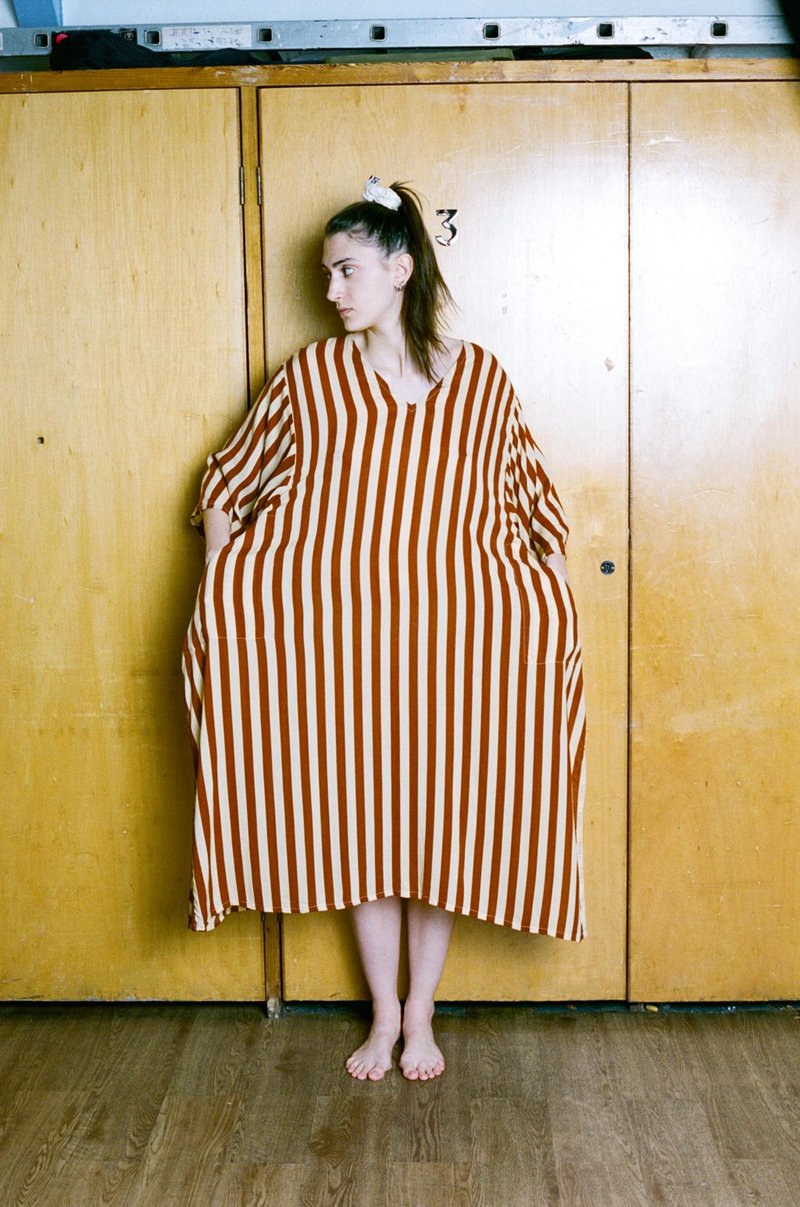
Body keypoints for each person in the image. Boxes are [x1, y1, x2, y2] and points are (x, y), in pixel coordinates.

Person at [182, 177, 586, 1083]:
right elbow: (226, 484)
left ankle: (423, 1013)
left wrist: (556, 615)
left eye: (347, 270)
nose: (331, 290)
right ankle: (382, 1013)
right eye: (326, 273)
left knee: (440, 830)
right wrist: (224, 588)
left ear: (400, 269)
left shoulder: (481, 380)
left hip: (456, 657)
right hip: (344, 660)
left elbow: (533, 504)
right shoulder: (310, 378)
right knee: (361, 827)